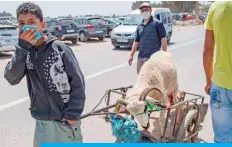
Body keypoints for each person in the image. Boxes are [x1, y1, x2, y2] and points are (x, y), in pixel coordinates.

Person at [4, 2, 86, 146]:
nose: (26, 27)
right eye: (21, 23)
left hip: (65, 119)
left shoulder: (59, 48)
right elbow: (12, 77)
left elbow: (78, 82)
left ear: (42, 24)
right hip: (42, 120)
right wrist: (22, 48)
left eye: (31, 22)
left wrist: (72, 114)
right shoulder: (24, 52)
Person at [203, 1, 232, 143]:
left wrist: (208, 81)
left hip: (220, 86)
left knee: (222, 138)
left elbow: (208, 50)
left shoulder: (216, 6)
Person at [128, 2, 167, 74]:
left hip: (153, 58)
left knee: (153, 80)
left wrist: (164, 55)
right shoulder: (139, 26)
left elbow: (163, 39)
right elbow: (136, 42)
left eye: (146, 10)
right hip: (141, 58)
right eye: (142, 11)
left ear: (150, 11)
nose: (144, 12)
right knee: (142, 80)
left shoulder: (157, 24)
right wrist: (131, 55)